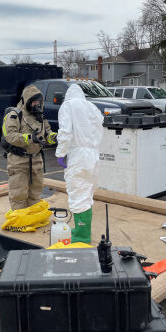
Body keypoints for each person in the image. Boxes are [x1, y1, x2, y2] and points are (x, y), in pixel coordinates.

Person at [55, 84, 104, 243]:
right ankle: (83, 231)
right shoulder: (92, 107)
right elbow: (99, 126)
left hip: (79, 155)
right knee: (87, 193)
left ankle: (82, 238)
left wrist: (61, 153)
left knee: (77, 194)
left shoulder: (68, 105)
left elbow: (65, 132)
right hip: (94, 155)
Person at [3, 85, 57, 211]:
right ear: (26, 101)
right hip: (19, 161)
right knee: (18, 194)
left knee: (36, 192)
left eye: (39, 102)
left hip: (36, 160)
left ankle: (32, 217)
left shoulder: (40, 117)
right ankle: (19, 221)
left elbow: (47, 134)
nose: (37, 105)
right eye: (34, 102)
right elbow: (9, 136)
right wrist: (29, 138)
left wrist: (55, 138)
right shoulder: (15, 115)